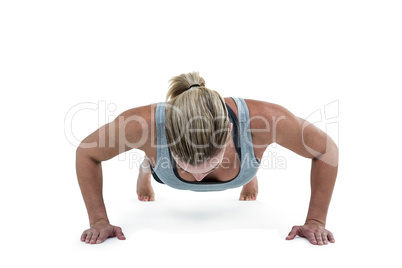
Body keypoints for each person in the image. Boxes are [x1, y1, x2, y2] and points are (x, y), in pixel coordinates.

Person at [76, 71, 338, 246]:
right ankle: (148, 166)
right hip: (161, 168)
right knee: (157, 168)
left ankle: (248, 172)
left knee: (247, 162)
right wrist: (98, 219)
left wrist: (315, 220)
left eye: (209, 164)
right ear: (165, 135)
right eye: (184, 164)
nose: (198, 179)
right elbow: (87, 153)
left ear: (229, 133)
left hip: (243, 152)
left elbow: (327, 150)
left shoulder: (265, 121)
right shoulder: (143, 126)